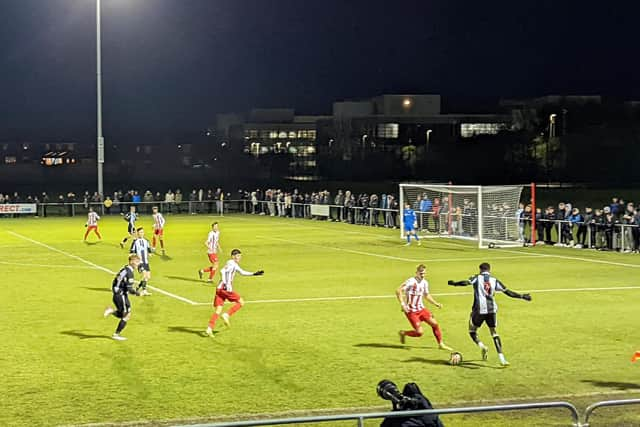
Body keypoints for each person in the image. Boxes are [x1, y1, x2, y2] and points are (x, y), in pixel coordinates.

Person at [448, 262, 532, 366]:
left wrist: (454, 283)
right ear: (489, 270)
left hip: (479, 310)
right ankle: (502, 358)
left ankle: (482, 346)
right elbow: (508, 292)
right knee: (494, 332)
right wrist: (523, 296)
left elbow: (466, 282)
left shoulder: (476, 277)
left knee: (472, 330)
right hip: (492, 310)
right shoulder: (494, 280)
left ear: (480, 270)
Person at [205, 249, 264, 336]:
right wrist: (225, 282)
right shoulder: (231, 263)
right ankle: (226, 315)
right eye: (237, 256)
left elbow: (242, 272)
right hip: (226, 289)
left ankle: (209, 328)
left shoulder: (232, 263)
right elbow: (222, 271)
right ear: (233, 256)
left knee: (218, 310)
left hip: (219, 289)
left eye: (240, 256)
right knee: (241, 302)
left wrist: (254, 274)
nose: (239, 258)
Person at [396, 264, 452, 351]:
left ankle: (441, 344)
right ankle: (403, 333)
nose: (422, 275)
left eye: (424, 273)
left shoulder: (425, 283)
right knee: (419, 333)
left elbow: (426, 295)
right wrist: (403, 305)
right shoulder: (411, 281)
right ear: (417, 273)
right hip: (411, 311)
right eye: (421, 273)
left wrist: (436, 303)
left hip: (421, 309)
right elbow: (398, 290)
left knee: (435, 324)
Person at [103, 254, 141, 341]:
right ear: (132, 262)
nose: (138, 264)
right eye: (137, 262)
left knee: (125, 314)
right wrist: (138, 293)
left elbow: (115, 281)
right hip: (121, 295)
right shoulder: (129, 273)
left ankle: (111, 311)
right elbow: (129, 289)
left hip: (118, 295)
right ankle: (116, 334)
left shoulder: (124, 269)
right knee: (126, 315)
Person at [129, 227, 153, 296]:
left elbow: (148, 249)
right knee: (145, 275)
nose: (141, 233)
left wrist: (150, 253)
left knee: (148, 277)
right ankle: (144, 290)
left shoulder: (146, 241)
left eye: (142, 232)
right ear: (137, 233)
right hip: (139, 262)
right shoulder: (135, 242)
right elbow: (132, 251)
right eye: (140, 232)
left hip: (146, 261)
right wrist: (133, 261)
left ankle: (137, 287)